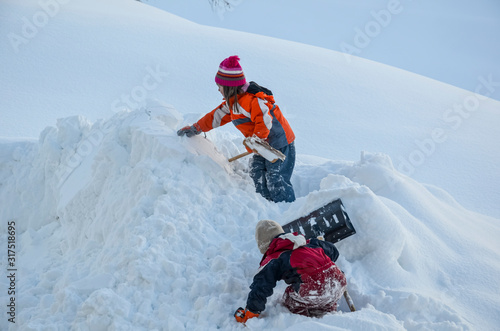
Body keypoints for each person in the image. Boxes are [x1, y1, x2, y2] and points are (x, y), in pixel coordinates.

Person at [177, 55, 296, 203]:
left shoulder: (252, 100)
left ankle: (286, 207)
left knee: (276, 178)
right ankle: (266, 203)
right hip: (262, 146)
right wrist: (196, 128)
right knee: (256, 172)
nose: (218, 89)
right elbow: (216, 117)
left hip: (280, 144)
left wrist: (257, 141)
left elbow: (265, 121)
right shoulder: (232, 104)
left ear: (228, 87)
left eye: (219, 86)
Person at [234, 220, 347, 324]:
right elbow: (334, 252)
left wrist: (252, 311)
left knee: (290, 299)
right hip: (339, 281)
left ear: (263, 244)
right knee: (324, 298)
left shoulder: (274, 258)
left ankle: (303, 323)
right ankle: (328, 317)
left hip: (313, 288)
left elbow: (261, 286)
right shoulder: (308, 243)